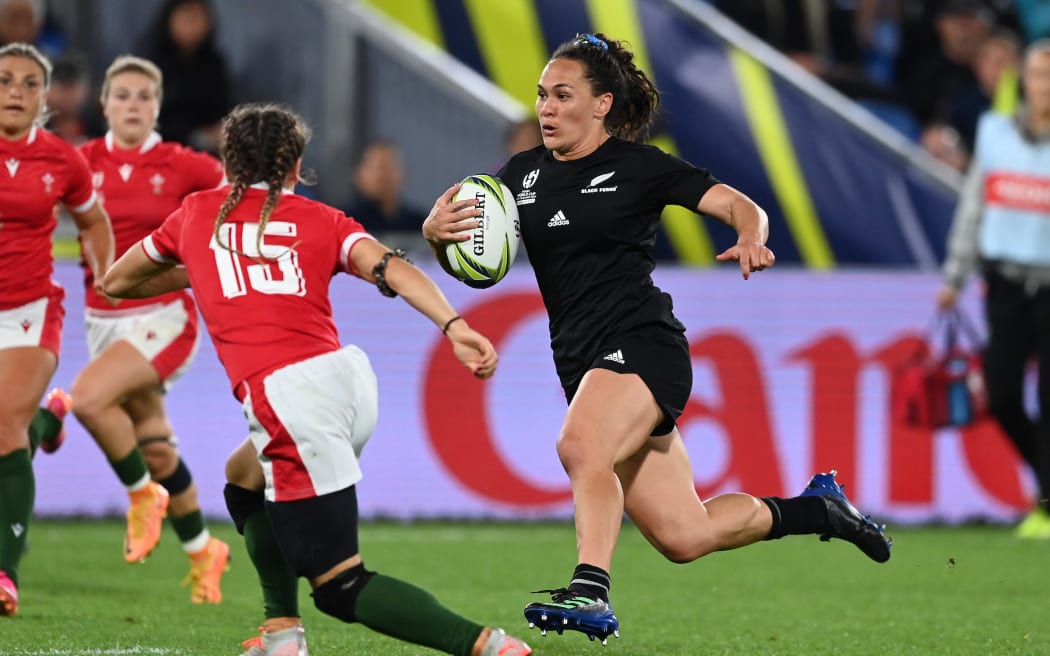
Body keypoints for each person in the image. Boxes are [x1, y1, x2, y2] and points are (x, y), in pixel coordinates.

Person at [422, 33, 893, 644]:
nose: (546, 108)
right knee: (685, 535)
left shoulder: (640, 168)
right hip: (581, 359)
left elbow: (738, 203)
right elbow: (478, 259)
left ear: (603, 105)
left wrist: (752, 233)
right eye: (542, 95)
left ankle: (591, 587)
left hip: (644, 344)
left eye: (563, 95)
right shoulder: (520, 177)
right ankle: (820, 510)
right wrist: (436, 235)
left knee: (582, 446)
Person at [101, 102, 531, 656]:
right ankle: (281, 632)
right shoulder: (320, 218)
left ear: (226, 161)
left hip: (290, 400)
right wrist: (454, 325)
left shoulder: (193, 216)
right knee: (243, 478)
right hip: (347, 381)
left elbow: (117, 281)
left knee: (340, 586)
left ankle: (486, 646)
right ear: (296, 165)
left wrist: (202, 270)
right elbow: (391, 267)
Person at [64, 54, 230, 603]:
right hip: (101, 319)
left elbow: (243, 198)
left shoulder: (188, 165)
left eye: (144, 96)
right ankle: (205, 551)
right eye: (123, 95)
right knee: (157, 449)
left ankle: (141, 498)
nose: (133, 105)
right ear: (104, 103)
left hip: (163, 318)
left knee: (88, 400)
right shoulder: (78, 161)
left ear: (157, 106)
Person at [0, 42, 114, 617]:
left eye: (27, 83)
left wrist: (105, 274)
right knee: (14, 427)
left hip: (29, 309)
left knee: (1, 428)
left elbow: (93, 221)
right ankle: (49, 420)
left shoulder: (63, 161)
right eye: (4, 81)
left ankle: (5, 573)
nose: (15, 92)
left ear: (44, 97)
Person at [937, 38, 1050, 540]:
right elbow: (974, 207)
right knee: (1001, 393)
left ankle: (1044, 508)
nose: (1044, 86)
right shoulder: (995, 133)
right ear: (1023, 81)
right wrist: (955, 275)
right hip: (1003, 281)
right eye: (1039, 75)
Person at [137, 0, 231, 155]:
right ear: (170, 20)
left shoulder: (214, 63)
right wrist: (196, 135)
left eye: (199, 18)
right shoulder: (149, 63)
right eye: (187, 18)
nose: (193, 26)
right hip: (159, 148)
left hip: (206, 152)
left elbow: (221, 109)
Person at [344, 139, 428, 253]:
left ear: (403, 174)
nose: (381, 176)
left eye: (388, 167)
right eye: (375, 168)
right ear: (358, 175)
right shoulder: (345, 221)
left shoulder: (420, 225)